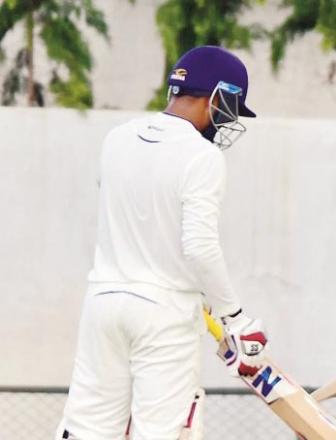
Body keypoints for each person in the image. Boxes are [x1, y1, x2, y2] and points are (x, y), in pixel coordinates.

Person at [56, 46, 268, 440]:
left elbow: (140, 223)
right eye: (230, 107)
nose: (227, 120)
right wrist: (235, 319)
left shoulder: (116, 139)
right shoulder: (202, 156)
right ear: (217, 96)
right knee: (159, 432)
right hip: (163, 314)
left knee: (87, 428)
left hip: (104, 301)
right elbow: (199, 246)